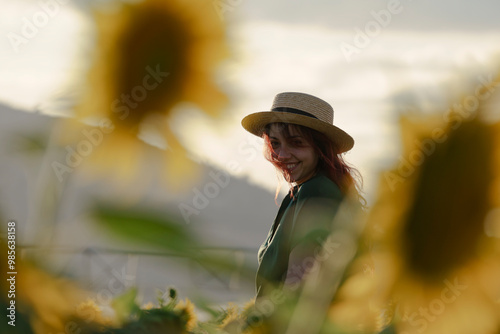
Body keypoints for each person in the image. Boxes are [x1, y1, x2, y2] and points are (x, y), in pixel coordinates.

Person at [241, 92, 364, 301]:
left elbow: (296, 285)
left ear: (321, 148)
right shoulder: (301, 192)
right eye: (276, 143)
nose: (281, 154)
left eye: (296, 142)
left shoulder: (317, 191)